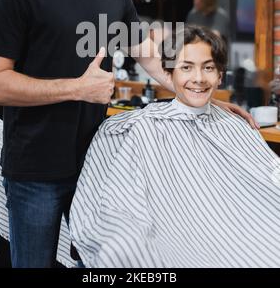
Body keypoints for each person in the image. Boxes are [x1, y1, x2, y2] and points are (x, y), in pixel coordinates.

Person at [0, 0, 256, 268]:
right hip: (33, 172)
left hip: (97, 168)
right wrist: (77, 88)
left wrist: (202, 98)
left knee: (98, 265)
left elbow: (150, 59)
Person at [69, 25, 280, 268]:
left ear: (220, 76)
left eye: (208, 68)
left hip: (244, 234)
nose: (199, 78)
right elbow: (116, 204)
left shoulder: (236, 126)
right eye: (186, 67)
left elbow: (270, 177)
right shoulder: (138, 128)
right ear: (169, 74)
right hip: (177, 242)